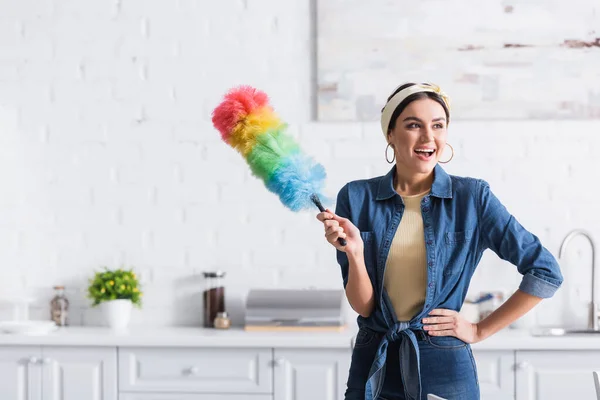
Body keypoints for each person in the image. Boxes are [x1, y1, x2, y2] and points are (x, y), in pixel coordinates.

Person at [316, 82, 563, 400]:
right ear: (390, 134)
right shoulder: (356, 196)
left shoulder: (472, 198)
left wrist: (478, 330)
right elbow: (364, 305)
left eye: (438, 125)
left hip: (444, 363)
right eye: (413, 125)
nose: (428, 137)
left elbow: (545, 271)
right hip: (373, 359)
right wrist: (355, 253)